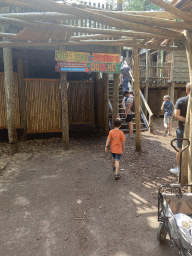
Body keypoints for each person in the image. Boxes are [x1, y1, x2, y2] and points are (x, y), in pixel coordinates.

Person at [170, 83, 191, 176]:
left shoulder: (181, 101)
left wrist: (187, 120)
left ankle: (179, 169)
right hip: (184, 129)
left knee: (180, 150)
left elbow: (176, 115)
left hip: (183, 129)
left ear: (187, 90)